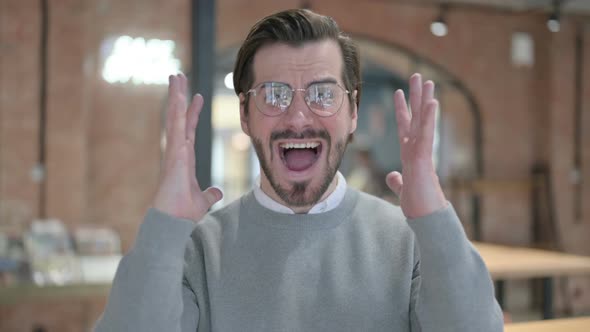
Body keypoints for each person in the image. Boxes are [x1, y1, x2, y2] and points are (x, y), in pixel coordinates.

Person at [95, 9, 502, 332]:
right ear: (245, 114)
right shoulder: (198, 250)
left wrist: (434, 221)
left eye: (323, 94)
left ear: (353, 111)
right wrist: (164, 226)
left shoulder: (409, 242)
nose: (298, 117)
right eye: (274, 94)